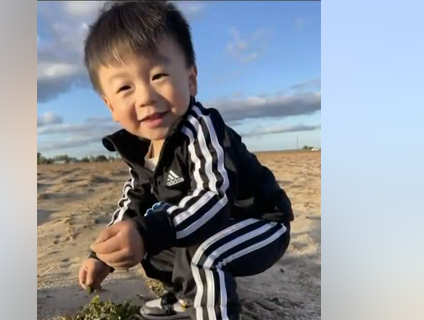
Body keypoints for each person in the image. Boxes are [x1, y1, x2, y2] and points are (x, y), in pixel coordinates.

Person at [76, 2, 294, 320]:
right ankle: (187, 299)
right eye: (125, 87)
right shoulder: (141, 152)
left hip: (260, 224)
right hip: (216, 228)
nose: (145, 96)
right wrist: (102, 255)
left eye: (158, 75)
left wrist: (148, 231)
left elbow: (214, 198)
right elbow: (132, 204)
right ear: (110, 105)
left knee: (204, 255)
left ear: (190, 79)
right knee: (147, 239)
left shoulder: (201, 127)